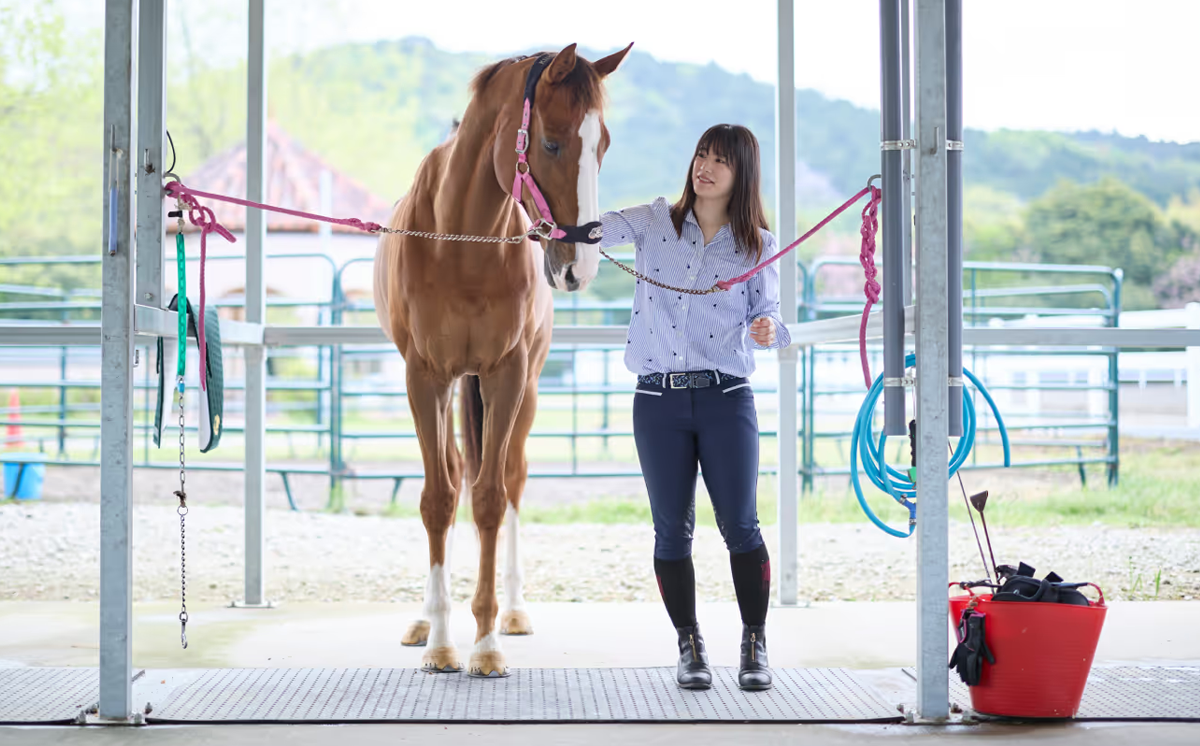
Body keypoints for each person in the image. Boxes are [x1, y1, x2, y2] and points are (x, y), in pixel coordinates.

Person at [599, 124, 792, 691]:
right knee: (670, 532)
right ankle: (690, 645)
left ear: (741, 174)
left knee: (740, 525)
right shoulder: (655, 222)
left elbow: (776, 321)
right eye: (701, 156)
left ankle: (754, 643)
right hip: (656, 401)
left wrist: (767, 329)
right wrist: (543, 219)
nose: (704, 167)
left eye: (719, 161)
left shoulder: (757, 242)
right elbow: (590, 229)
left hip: (726, 399)